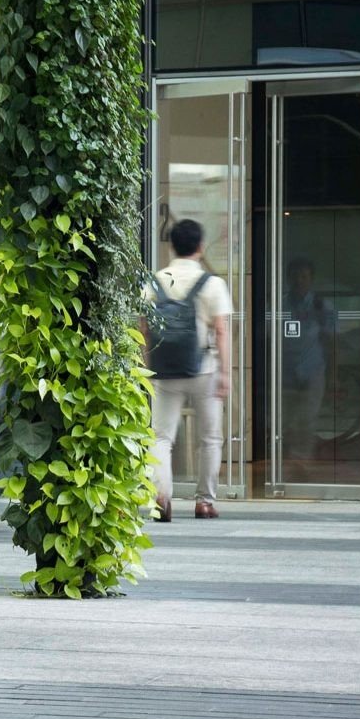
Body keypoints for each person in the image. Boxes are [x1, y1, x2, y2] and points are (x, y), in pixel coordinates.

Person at [144, 219, 233, 522]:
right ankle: (204, 502)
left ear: (171, 246)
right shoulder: (212, 284)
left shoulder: (155, 280)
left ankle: (161, 496)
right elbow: (221, 330)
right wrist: (226, 373)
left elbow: (144, 327)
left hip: (165, 371)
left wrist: (148, 364)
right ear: (200, 246)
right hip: (203, 371)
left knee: (161, 437)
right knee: (209, 438)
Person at [280, 256, 336, 464]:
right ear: (288, 279)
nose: (299, 280)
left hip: (313, 369)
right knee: (285, 418)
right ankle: (286, 460)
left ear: (311, 279)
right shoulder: (279, 304)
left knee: (308, 418)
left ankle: (302, 460)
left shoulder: (322, 306)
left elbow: (332, 341)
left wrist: (333, 375)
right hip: (285, 371)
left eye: (304, 276)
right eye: (295, 276)